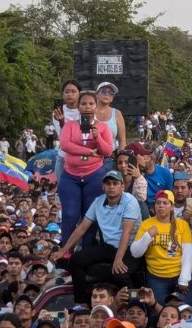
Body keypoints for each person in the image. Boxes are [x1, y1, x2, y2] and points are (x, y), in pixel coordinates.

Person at [53, 170, 142, 302]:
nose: (111, 187)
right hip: (108, 246)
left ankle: (132, 305)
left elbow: (126, 233)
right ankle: (81, 302)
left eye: (115, 183)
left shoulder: (130, 201)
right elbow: (82, 227)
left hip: (129, 247)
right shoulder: (98, 201)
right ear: (103, 186)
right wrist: (63, 250)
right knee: (76, 260)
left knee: (119, 273)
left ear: (122, 186)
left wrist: (118, 259)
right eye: (108, 183)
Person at [58, 91, 114, 248]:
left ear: (96, 106)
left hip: (94, 176)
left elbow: (108, 151)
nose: (87, 107)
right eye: (83, 104)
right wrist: (89, 152)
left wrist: (97, 137)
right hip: (71, 176)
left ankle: (86, 251)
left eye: (91, 103)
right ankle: (66, 252)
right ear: (78, 106)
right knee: (70, 214)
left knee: (90, 216)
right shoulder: (69, 125)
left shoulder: (103, 127)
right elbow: (65, 145)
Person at [130, 190, 192, 305]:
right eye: (158, 203)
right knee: (159, 311)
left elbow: (188, 253)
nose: (161, 206)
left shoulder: (182, 225)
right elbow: (135, 252)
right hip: (156, 277)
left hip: (178, 275)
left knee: (182, 310)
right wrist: (148, 236)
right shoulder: (146, 224)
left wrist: (184, 279)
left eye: (165, 203)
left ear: (172, 206)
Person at [95, 82, 127, 151]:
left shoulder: (117, 113)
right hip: (90, 155)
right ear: (97, 94)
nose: (107, 94)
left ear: (112, 98)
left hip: (111, 157)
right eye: (103, 91)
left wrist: (120, 157)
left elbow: (122, 141)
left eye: (111, 93)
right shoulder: (88, 111)